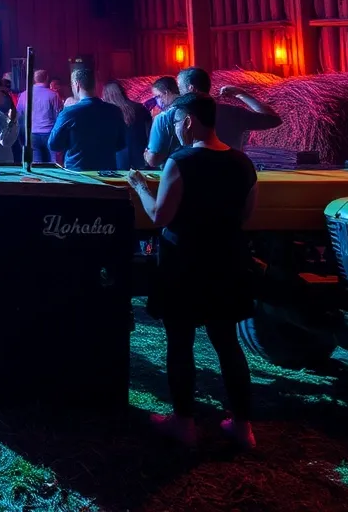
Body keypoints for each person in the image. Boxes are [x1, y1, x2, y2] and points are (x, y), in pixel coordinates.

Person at [128, 94, 258, 449]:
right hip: (227, 260)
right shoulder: (243, 162)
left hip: (184, 261)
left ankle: (184, 424)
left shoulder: (181, 161)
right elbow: (247, 215)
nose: (173, 129)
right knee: (228, 343)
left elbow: (160, 215)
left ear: (188, 121)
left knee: (181, 341)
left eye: (174, 122)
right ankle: (243, 428)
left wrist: (140, 187)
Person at [145, 68, 280, 166]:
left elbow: (154, 160)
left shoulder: (170, 116)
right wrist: (241, 94)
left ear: (191, 88)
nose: (178, 93)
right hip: (230, 174)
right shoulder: (232, 113)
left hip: (192, 177)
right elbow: (272, 119)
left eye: (179, 88)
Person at [48, 69, 126, 173]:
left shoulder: (69, 113)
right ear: (96, 85)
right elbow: (121, 144)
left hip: (78, 172)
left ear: (77, 85)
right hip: (107, 171)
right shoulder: (115, 111)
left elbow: (54, 144)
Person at [101, 80, 152, 171]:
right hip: (140, 155)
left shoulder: (107, 113)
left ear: (107, 95)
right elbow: (149, 132)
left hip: (118, 158)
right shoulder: (140, 108)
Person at [28, 69, 65, 164]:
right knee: (54, 163)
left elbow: (20, 116)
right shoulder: (53, 95)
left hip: (32, 133)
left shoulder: (25, 94)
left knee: (36, 164)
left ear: (34, 79)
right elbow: (58, 115)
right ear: (47, 78)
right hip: (49, 132)